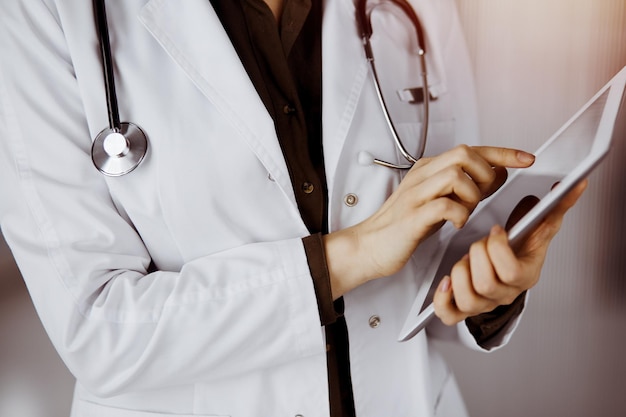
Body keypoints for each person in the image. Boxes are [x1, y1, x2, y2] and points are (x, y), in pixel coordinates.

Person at [0, 1, 586, 416]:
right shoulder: (43, 13)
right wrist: (350, 256)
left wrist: (487, 287)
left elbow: (432, 251)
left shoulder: (416, 8)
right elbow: (99, 331)